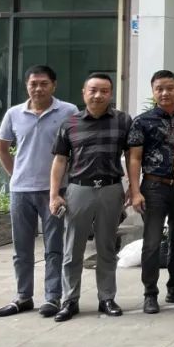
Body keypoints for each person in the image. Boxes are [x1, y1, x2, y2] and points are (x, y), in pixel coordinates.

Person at [0, 65, 77, 319]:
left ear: (54, 85)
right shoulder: (14, 113)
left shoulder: (68, 111)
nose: (38, 88)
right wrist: (16, 174)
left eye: (43, 83)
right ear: (26, 86)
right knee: (21, 247)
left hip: (55, 191)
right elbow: (1, 148)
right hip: (21, 191)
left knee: (54, 247)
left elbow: (76, 148)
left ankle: (52, 297)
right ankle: (23, 296)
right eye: (33, 84)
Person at [49, 73, 131, 322]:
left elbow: (133, 156)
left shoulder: (123, 121)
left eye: (104, 91)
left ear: (111, 93)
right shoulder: (70, 123)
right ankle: (69, 300)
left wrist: (133, 188)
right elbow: (60, 160)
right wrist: (54, 194)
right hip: (79, 190)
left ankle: (107, 298)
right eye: (93, 90)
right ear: (84, 93)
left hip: (111, 189)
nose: (98, 95)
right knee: (73, 248)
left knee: (107, 247)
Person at [126, 70, 174, 314]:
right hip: (154, 187)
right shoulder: (142, 121)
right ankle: (150, 293)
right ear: (153, 91)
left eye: (170, 88)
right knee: (152, 242)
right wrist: (135, 191)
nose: (165, 93)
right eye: (159, 89)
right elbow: (134, 158)